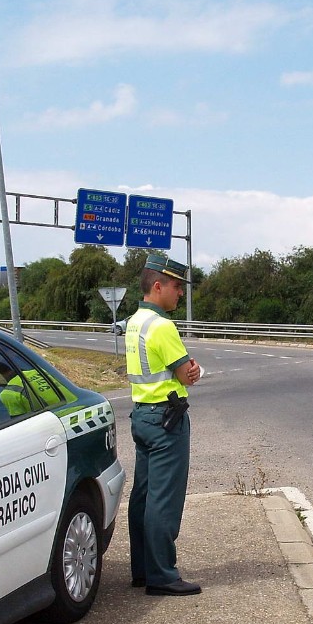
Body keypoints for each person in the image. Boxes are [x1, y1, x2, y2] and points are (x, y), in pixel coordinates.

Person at [126, 254, 202, 596]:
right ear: (157, 286)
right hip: (166, 418)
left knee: (142, 495)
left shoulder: (134, 322)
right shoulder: (162, 326)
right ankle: (162, 576)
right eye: (175, 286)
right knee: (163, 500)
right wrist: (191, 371)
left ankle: (142, 569)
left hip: (142, 414)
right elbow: (187, 372)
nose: (180, 294)